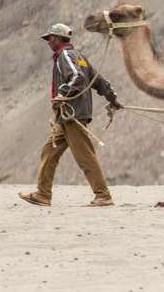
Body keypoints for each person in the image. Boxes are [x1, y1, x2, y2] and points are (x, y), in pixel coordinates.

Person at [19, 23, 122, 207]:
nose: (48, 41)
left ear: (58, 39)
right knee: (49, 152)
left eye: (50, 38)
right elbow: (99, 81)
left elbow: (78, 77)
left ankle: (103, 196)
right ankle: (43, 194)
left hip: (72, 114)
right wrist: (112, 99)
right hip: (66, 116)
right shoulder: (80, 57)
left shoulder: (65, 55)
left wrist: (62, 94)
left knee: (84, 155)